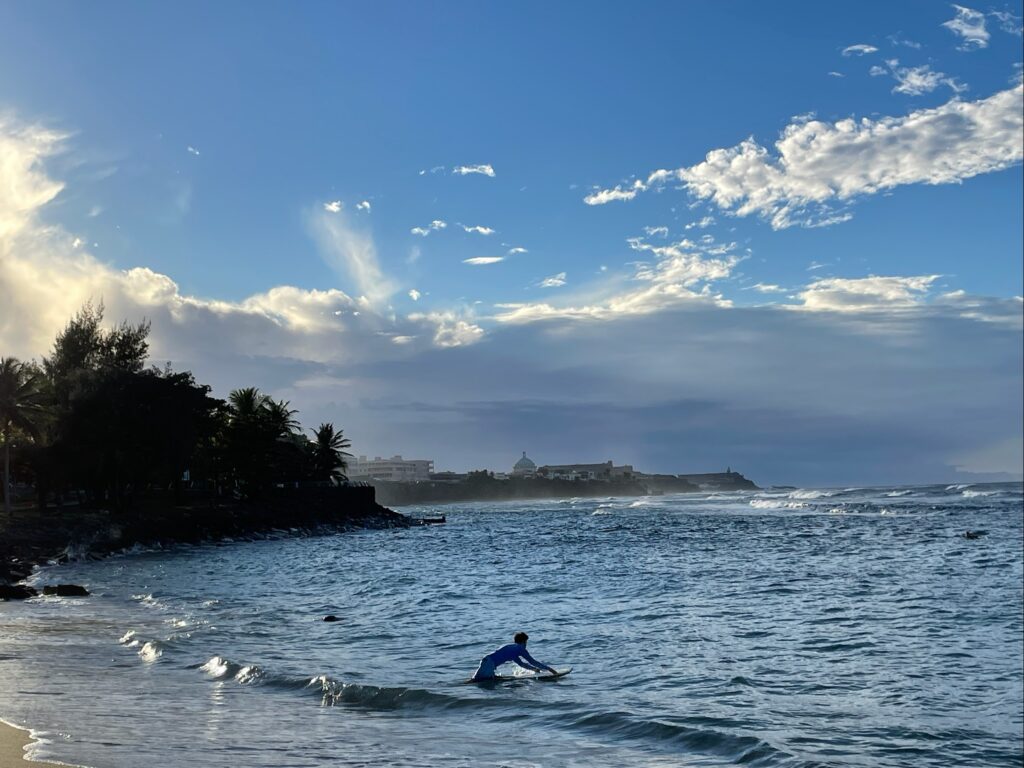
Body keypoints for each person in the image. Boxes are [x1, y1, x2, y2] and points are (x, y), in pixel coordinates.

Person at [471, 631, 557, 680]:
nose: (526, 644)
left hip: (486, 661)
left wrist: (534, 669)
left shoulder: (513, 649)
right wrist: (550, 669)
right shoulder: (520, 649)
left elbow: (522, 664)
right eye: (526, 642)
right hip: (489, 664)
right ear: (523, 641)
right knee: (477, 681)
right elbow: (532, 661)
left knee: (477, 681)